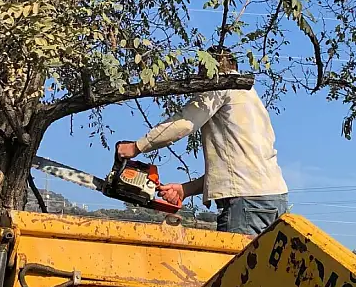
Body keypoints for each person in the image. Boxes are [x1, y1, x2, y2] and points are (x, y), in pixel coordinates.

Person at [116, 46, 289, 236]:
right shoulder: (251, 99)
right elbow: (238, 169)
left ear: (208, 67)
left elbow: (184, 123)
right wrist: (185, 190)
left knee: (237, 256)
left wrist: (137, 147)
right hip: (276, 199)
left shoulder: (221, 85)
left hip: (245, 203)